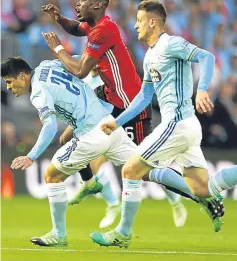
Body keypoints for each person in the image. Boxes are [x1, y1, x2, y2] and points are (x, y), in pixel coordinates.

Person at [90, 0, 237, 248]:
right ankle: (204, 200)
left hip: (177, 124)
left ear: (152, 22)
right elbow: (144, 97)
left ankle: (123, 233)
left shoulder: (171, 43)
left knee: (129, 170)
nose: (135, 25)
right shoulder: (150, 55)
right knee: (205, 188)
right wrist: (117, 122)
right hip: (187, 127)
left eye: (139, 20)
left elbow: (207, 57)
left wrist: (202, 90)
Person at [41, 0, 188, 228]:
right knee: (67, 138)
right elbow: (75, 29)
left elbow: (80, 70)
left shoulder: (104, 30)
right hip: (109, 101)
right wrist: (58, 18)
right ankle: (90, 185)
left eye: (82, 0)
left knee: (145, 163)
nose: (77, 4)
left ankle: (185, 196)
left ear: (97, 5)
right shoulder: (93, 26)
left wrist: (58, 48)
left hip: (130, 104)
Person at [1, 56, 136, 246]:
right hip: (109, 123)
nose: (8, 88)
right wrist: (96, 60)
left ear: (22, 76)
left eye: (9, 82)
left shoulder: (38, 92)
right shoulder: (47, 64)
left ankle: (59, 234)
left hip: (91, 132)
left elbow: (49, 126)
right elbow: (78, 60)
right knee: (144, 167)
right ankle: (193, 191)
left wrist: (31, 156)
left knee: (52, 175)